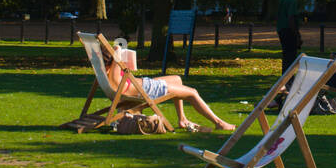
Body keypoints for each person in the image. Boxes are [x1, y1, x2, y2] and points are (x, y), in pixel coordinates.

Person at [98, 42, 236, 132]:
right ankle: (219, 123)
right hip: (147, 89)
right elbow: (117, 55)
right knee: (192, 93)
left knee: (177, 79)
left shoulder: (105, 74)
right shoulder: (114, 77)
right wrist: (117, 48)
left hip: (145, 85)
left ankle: (182, 119)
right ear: (110, 61)